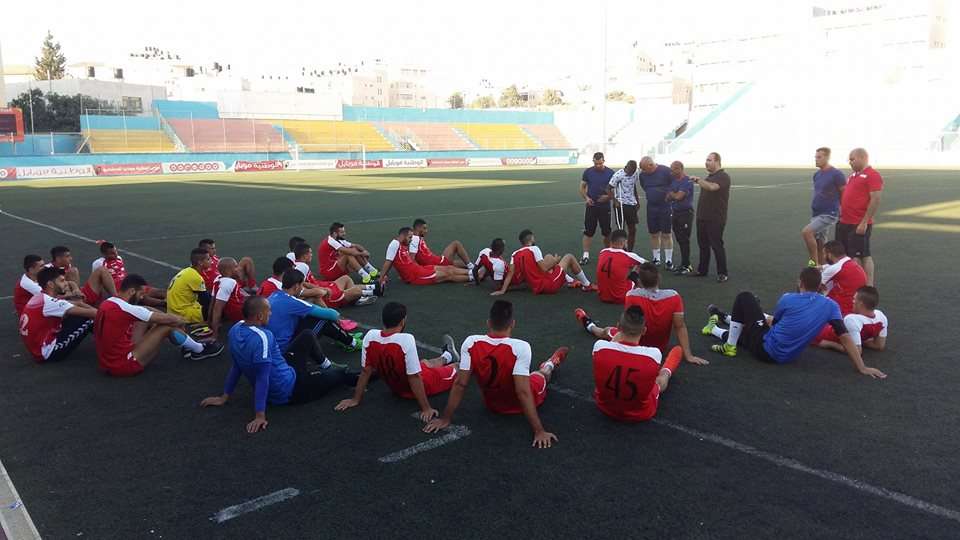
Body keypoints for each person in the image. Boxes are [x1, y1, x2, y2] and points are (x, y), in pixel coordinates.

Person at [200, 296, 359, 434]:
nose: (271, 313)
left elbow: (236, 366)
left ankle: (326, 366)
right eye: (269, 311)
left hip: (287, 371)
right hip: (291, 390)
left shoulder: (235, 329)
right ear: (260, 315)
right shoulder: (263, 337)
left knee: (307, 336)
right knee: (342, 375)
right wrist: (259, 415)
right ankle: (375, 373)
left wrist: (224, 396)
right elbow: (262, 377)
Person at [424, 300, 569, 448]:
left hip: (492, 404)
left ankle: (550, 363)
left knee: (477, 368)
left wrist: (445, 418)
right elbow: (523, 392)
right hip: (523, 399)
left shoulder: (471, 342)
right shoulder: (521, 347)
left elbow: (461, 383)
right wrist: (539, 430)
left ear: (488, 323)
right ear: (512, 324)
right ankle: (551, 363)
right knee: (540, 375)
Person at [701, 267, 886, 378]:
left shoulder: (788, 298)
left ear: (800, 282)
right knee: (749, 331)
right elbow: (845, 337)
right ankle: (717, 324)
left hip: (767, 349)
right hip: (787, 356)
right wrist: (861, 367)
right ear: (820, 285)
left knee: (745, 298)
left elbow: (774, 324)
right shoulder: (831, 306)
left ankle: (729, 346)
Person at [335, 302, 460, 420]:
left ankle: (448, 355)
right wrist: (426, 408)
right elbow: (414, 377)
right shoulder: (406, 340)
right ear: (402, 321)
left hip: (397, 387)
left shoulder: (370, 336)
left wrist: (355, 399)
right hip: (424, 385)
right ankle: (460, 361)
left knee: (425, 363)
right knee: (458, 368)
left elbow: (365, 371)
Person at [576, 262, 708, 365]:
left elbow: (629, 326)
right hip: (660, 347)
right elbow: (680, 326)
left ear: (639, 281)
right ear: (659, 278)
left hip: (634, 343)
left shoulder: (632, 296)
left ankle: (588, 323)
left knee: (606, 331)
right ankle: (588, 322)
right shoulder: (674, 296)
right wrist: (688, 355)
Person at [94, 274, 221, 376]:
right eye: (141, 293)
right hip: (123, 365)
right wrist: (178, 321)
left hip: (106, 362)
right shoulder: (127, 308)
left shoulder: (110, 302)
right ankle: (199, 349)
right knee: (166, 325)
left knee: (146, 318)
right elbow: (172, 321)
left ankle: (187, 344)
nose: (142, 296)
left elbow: (145, 309)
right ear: (132, 291)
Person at [592, 307, 684, 422]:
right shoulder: (653, 354)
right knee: (660, 380)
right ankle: (668, 370)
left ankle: (591, 326)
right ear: (644, 330)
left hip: (604, 406)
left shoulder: (599, 346)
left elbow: (614, 346)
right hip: (640, 413)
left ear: (618, 326)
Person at [267, 268, 363, 354]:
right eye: (301, 286)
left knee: (312, 314)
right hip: (285, 350)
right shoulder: (292, 302)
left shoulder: (274, 295)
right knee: (324, 319)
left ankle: (343, 337)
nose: (302, 289)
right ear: (296, 287)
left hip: (272, 347)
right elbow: (333, 315)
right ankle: (352, 343)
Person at [18, 267, 97, 363]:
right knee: (89, 319)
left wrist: (83, 305)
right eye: (62, 281)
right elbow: (94, 313)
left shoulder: (41, 297)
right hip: (47, 353)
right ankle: (112, 345)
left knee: (77, 314)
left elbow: (76, 303)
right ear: (51, 284)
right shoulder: (50, 303)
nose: (66, 283)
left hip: (38, 346)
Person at [493, 229, 596, 296]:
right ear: (531, 238)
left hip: (535, 286)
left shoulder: (515, 254)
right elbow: (544, 268)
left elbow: (510, 274)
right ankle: (587, 285)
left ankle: (570, 281)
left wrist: (503, 290)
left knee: (547, 256)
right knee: (569, 257)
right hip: (547, 285)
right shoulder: (534, 249)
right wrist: (556, 261)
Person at [837, 148, 883, 286]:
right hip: (845, 222)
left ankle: (867, 286)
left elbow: (875, 199)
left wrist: (864, 222)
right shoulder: (853, 176)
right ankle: (851, 282)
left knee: (861, 255)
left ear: (862, 158)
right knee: (847, 255)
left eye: (852, 159)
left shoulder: (872, 175)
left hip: (858, 223)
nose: (849, 162)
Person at [379, 227, 475, 286]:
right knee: (447, 275)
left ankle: (473, 272)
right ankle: (474, 277)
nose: (411, 240)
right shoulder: (394, 244)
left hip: (419, 269)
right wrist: (381, 278)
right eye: (409, 237)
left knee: (448, 268)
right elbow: (388, 262)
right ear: (403, 236)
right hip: (415, 276)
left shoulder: (402, 245)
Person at [292, 242, 378, 307]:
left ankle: (362, 295)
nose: (312, 255)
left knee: (346, 278)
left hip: (323, 287)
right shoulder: (302, 267)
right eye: (310, 253)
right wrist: (320, 290)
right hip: (325, 295)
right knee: (356, 291)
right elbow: (300, 288)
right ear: (304, 256)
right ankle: (372, 291)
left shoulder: (298, 264)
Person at [690, 152, 731, 282]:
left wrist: (697, 180)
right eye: (706, 160)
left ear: (717, 161)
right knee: (703, 245)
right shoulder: (709, 177)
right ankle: (702, 269)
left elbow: (712, 188)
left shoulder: (723, 176)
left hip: (715, 218)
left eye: (709, 160)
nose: (706, 162)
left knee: (716, 245)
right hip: (702, 217)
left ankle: (722, 273)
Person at [801, 147, 846, 266]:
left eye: (819, 157)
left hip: (829, 213)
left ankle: (813, 265)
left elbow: (844, 193)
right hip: (816, 213)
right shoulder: (816, 175)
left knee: (807, 232)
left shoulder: (836, 174)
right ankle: (822, 271)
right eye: (815, 157)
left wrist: (842, 210)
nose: (816, 160)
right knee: (820, 244)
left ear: (827, 157)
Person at [813, 286, 887, 353]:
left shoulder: (852, 319)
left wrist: (829, 344)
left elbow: (856, 351)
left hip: (821, 333)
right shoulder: (881, 316)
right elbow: (879, 345)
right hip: (826, 326)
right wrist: (860, 341)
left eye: (854, 299)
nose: (852, 301)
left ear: (861, 304)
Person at [92, 241, 167, 307]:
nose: (115, 254)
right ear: (104, 254)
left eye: (115, 251)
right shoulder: (98, 263)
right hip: (120, 288)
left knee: (157, 291)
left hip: (129, 283)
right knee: (142, 297)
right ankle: (164, 303)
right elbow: (97, 281)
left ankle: (171, 297)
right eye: (112, 253)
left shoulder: (119, 258)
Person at [48, 245, 117, 306]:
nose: (71, 258)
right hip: (68, 301)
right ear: (58, 259)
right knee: (73, 271)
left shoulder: (66, 266)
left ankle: (117, 298)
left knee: (102, 270)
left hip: (78, 295)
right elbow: (50, 294)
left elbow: (70, 283)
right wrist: (72, 293)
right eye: (67, 256)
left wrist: (76, 289)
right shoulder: (47, 271)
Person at [638, 157, 675, 267]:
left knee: (667, 233)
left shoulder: (666, 171)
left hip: (665, 206)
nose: (643, 172)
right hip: (651, 207)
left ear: (651, 165)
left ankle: (668, 260)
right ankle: (656, 258)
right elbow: (644, 186)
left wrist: (668, 194)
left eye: (644, 169)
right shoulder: (643, 175)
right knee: (654, 233)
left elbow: (674, 184)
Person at [579, 151, 614, 265]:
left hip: (605, 207)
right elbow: (582, 187)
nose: (598, 166)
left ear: (604, 161)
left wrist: (608, 197)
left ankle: (608, 254)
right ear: (593, 161)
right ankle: (585, 255)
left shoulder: (610, 173)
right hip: (592, 206)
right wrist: (586, 198)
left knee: (606, 232)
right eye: (596, 163)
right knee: (588, 231)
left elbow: (615, 191)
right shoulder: (588, 172)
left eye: (600, 163)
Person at [596, 229, 646, 303]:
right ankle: (647, 291)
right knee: (642, 267)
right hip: (622, 297)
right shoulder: (628, 255)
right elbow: (648, 265)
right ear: (624, 242)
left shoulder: (602, 252)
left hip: (602, 297)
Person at [820, 240, 867, 316]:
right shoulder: (849, 262)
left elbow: (813, 286)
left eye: (824, 254)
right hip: (857, 305)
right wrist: (822, 267)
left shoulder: (835, 268)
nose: (823, 257)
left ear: (829, 255)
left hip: (844, 309)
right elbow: (833, 267)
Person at [167, 248, 212, 324]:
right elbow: (206, 301)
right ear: (200, 262)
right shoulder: (195, 277)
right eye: (208, 259)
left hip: (173, 310)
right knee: (217, 309)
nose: (211, 261)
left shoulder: (187, 271)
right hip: (182, 313)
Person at [209, 257, 249, 340]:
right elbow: (217, 309)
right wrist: (214, 335)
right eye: (236, 266)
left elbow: (212, 302)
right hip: (240, 314)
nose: (239, 269)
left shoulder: (218, 279)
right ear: (229, 270)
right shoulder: (229, 283)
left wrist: (209, 321)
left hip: (234, 311)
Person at [667, 161, 695, 275]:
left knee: (684, 239)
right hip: (676, 213)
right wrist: (672, 195)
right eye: (671, 169)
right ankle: (683, 264)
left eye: (674, 169)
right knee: (679, 239)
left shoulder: (687, 181)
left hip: (685, 214)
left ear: (681, 169)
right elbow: (668, 198)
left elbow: (678, 196)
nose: (672, 171)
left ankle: (687, 265)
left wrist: (672, 194)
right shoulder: (673, 181)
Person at [608, 160, 641, 251]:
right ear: (626, 167)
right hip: (620, 205)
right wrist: (615, 201)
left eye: (633, 171)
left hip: (631, 204)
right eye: (630, 171)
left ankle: (630, 251)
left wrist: (637, 201)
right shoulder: (618, 175)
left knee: (633, 229)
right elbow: (608, 188)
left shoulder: (635, 173)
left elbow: (633, 185)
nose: (632, 173)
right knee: (621, 229)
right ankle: (621, 250)